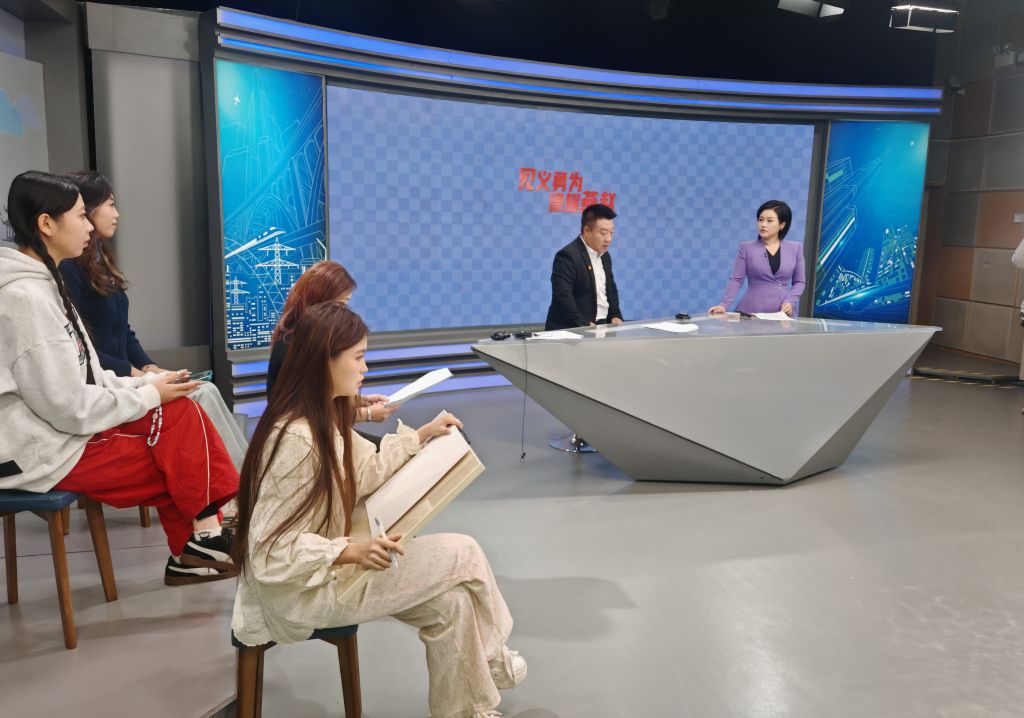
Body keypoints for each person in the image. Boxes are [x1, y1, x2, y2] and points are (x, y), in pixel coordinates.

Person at [231, 302, 525, 718]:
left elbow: (365, 471)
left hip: (324, 572)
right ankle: (495, 657)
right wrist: (348, 551)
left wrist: (420, 436)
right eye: (358, 357)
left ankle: (466, 709)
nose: (365, 368)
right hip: (302, 592)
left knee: (454, 604)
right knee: (465, 551)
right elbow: (267, 555)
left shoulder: (321, 416)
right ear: (325, 360)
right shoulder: (297, 438)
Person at [0, 171, 238, 585]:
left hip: (60, 434)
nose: (90, 226)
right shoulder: (25, 298)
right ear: (46, 224)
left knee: (181, 416)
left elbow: (91, 376)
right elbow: (69, 408)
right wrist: (149, 394)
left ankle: (202, 543)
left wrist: (149, 385)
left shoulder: (46, 285)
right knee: (179, 454)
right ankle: (200, 543)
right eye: (81, 216)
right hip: (42, 450)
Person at [59, 170, 248, 471]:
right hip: (107, 388)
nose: (117, 214)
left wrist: (152, 368)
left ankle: (245, 480)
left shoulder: (99, 260)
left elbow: (125, 332)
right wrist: (140, 375)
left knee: (203, 388)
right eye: (110, 205)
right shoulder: (68, 269)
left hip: (127, 379)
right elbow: (84, 349)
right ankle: (241, 485)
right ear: (88, 209)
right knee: (201, 394)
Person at [268, 260, 398, 429]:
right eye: (340, 304)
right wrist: (367, 414)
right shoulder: (299, 344)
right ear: (320, 299)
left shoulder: (297, 334)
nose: (364, 368)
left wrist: (358, 401)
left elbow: (318, 396)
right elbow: (309, 411)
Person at [708, 199, 806, 317]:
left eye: (769, 220)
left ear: (782, 225)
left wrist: (790, 301)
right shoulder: (746, 248)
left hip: (781, 313)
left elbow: (799, 282)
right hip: (751, 311)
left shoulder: (795, 248)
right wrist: (724, 305)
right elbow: (736, 279)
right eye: (760, 219)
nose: (763, 224)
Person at [545, 203, 623, 330]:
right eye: (603, 233)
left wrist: (615, 314)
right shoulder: (568, 256)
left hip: (601, 326)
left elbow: (610, 289)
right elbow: (562, 296)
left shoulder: (605, 256)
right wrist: (584, 324)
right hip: (572, 329)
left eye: (611, 232)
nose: (608, 239)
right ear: (587, 231)